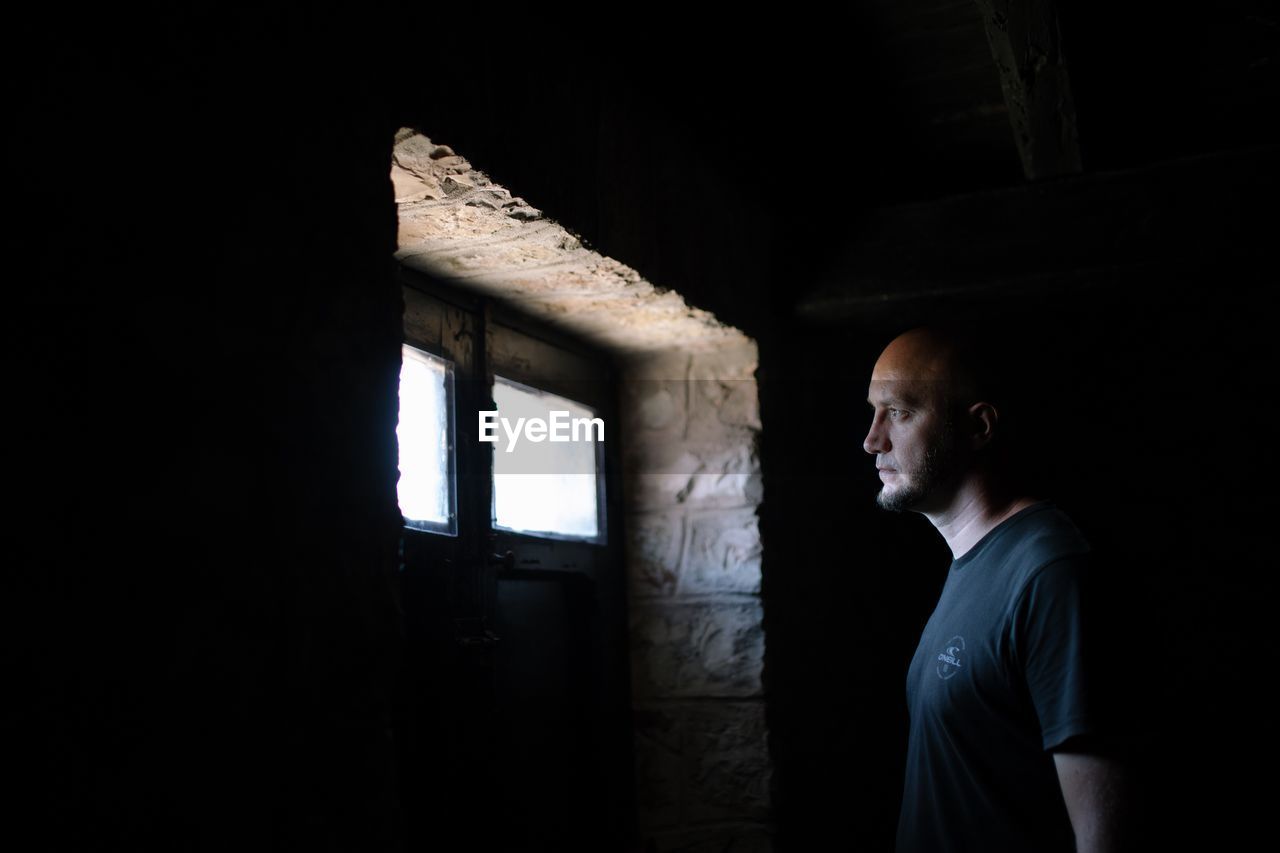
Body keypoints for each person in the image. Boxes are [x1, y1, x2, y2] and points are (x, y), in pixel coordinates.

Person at [863, 325, 1127, 853]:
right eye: (873, 412)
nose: (872, 440)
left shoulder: (1048, 569)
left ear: (978, 427)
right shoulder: (974, 564)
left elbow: (1107, 832)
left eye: (899, 412)